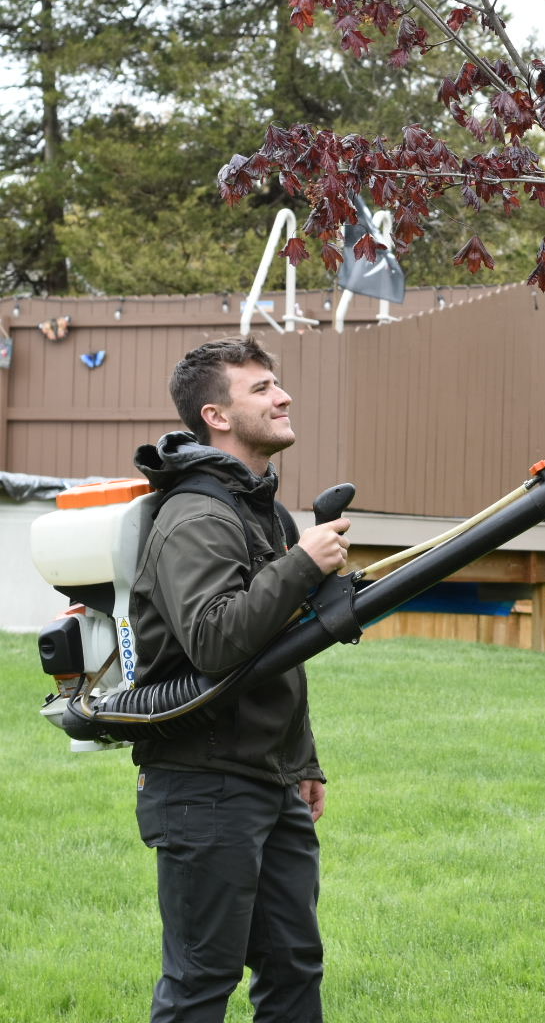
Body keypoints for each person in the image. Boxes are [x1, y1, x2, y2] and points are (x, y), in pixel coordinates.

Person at [129, 336, 351, 1023]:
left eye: (276, 384)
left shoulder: (263, 510)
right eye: (261, 389)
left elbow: (280, 649)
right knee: (202, 980)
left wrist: (302, 760)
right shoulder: (195, 514)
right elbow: (216, 639)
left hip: (269, 776)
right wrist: (304, 564)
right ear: (215, 415)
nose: (282, 397)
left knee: (293, 966)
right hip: (203, 781)